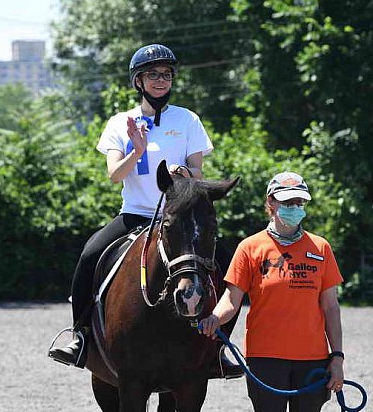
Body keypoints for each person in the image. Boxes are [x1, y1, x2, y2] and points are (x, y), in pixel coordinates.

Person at [48, 43, 242, 378]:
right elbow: (114, 175)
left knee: (227, 269)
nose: (160, 80)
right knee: (89, 254)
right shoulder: (120, 122)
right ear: (138, 81)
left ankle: (219, 348)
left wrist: (186, 174)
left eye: (166, 74)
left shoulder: (188, 119)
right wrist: (136, 150)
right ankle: (80, 335)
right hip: (135, 215)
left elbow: (199, 171)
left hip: (178, 218)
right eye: (152, 74)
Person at [199, 172, 346, 412]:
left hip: (313, 360)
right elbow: (231, 299)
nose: (295, 208)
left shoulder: (321, 248)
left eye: (299, 203)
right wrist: (215, 318)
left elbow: (331, 307)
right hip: (265, 359)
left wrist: (337, 358)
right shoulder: (249, 248)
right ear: (271, 202)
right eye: (288, 203)